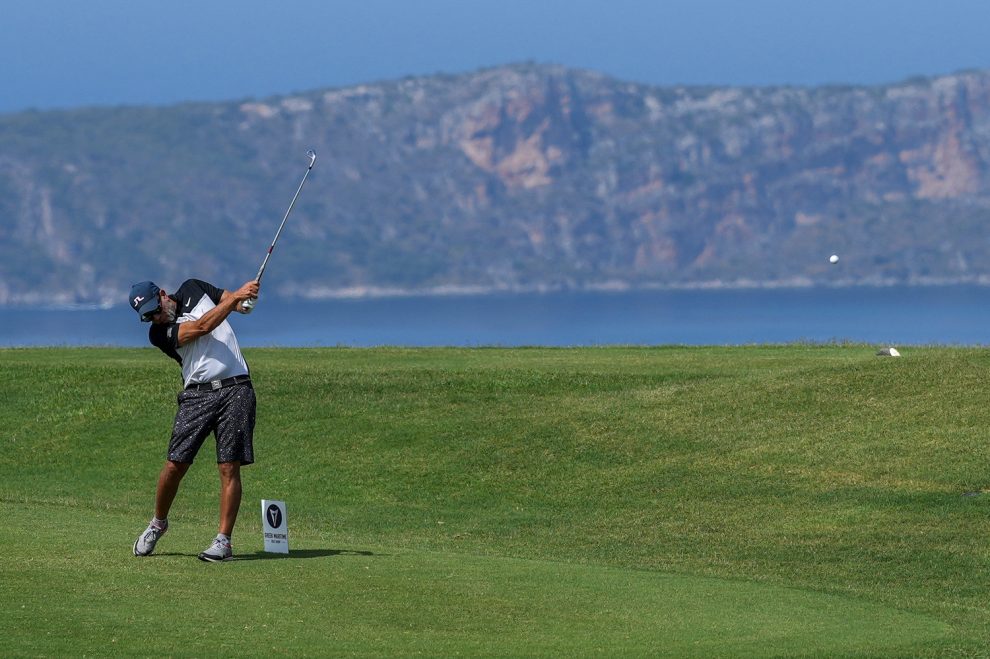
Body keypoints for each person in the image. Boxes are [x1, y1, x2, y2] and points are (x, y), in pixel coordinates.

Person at [129, 277, 260, 562]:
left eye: (156, 309)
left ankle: (223, 542)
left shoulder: (193, 288)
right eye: (148, 317)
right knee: (175, 464)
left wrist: (245, 300)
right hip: (197, 395)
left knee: (229, 466)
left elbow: (236, 304)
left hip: (237, 388)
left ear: (163, 295)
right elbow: (202, 327)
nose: (155, 317)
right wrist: (235, 297)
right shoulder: (158, 334)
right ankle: (158, 524)